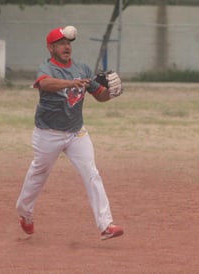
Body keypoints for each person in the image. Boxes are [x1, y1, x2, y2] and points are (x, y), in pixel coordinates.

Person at [16, 26, 124, 240]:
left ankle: (106, 225)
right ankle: (24, 213)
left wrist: (112, 93)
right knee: (38, 174)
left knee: (92, 174)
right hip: (48, 133)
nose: (66, 47)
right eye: (60, 43)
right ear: (50, 48)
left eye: (68, 43)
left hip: (76, 133)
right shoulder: (47, 68)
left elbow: (99, 95)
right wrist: (71, 82)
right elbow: (44, 84)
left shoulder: (82, 68)